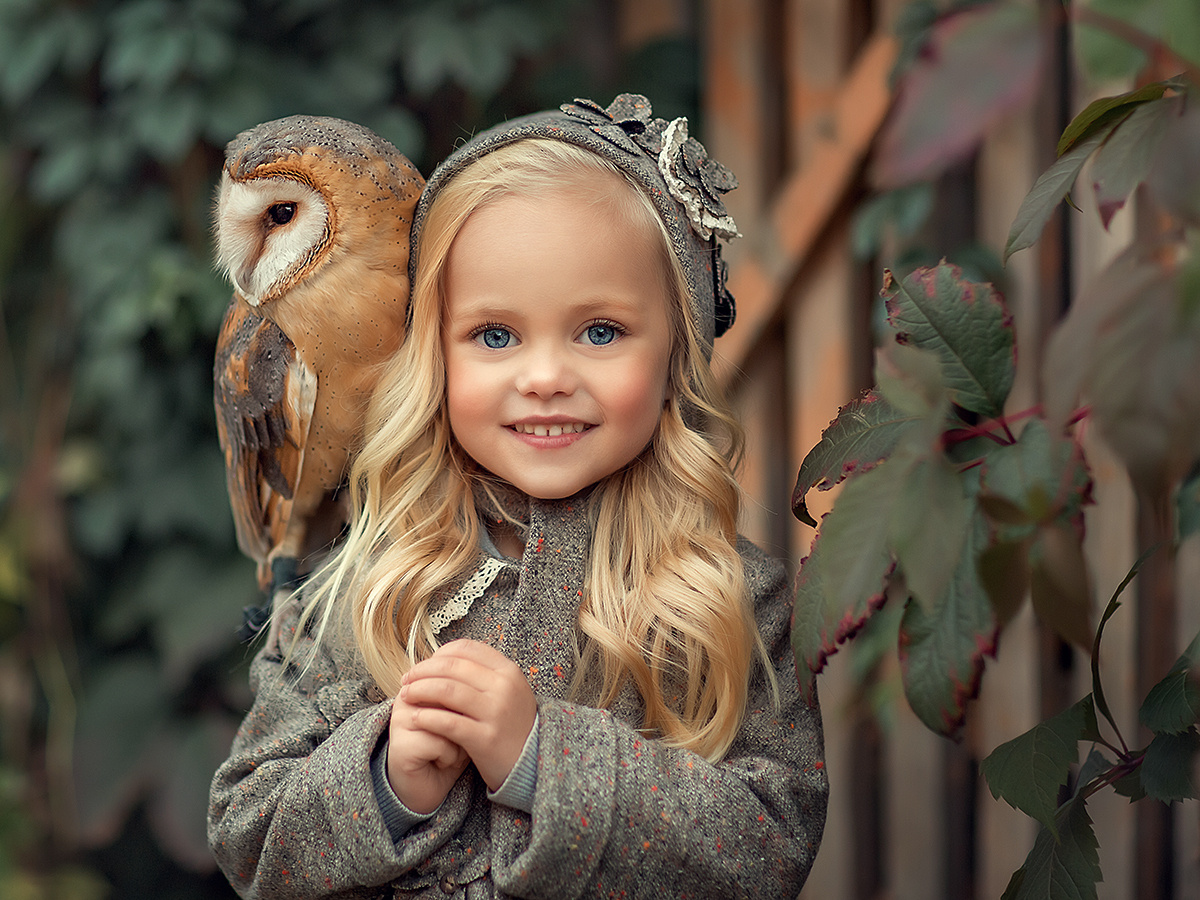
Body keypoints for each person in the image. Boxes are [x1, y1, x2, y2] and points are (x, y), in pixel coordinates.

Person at [208, 94, 827, 900]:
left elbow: (771, 845)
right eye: (495, 336)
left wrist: (544, 760)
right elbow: (248, 834)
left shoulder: (725, 596)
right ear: (431, 352)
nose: (544, 378)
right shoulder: (360, 589)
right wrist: (385, 782)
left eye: (600, 331)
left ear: (677, 349)